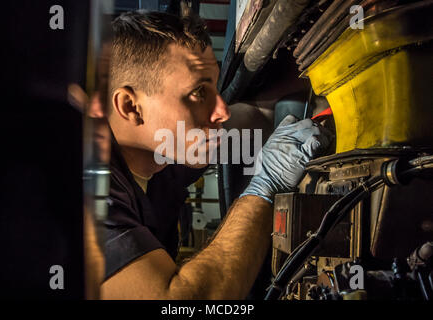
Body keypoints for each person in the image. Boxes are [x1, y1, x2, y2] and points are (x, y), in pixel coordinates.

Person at [101, 11, 331, 299]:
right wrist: (264, 188)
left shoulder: (163, 154)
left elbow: (255, 112)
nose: (222, 110)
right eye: (198, 92)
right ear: (130, 106)